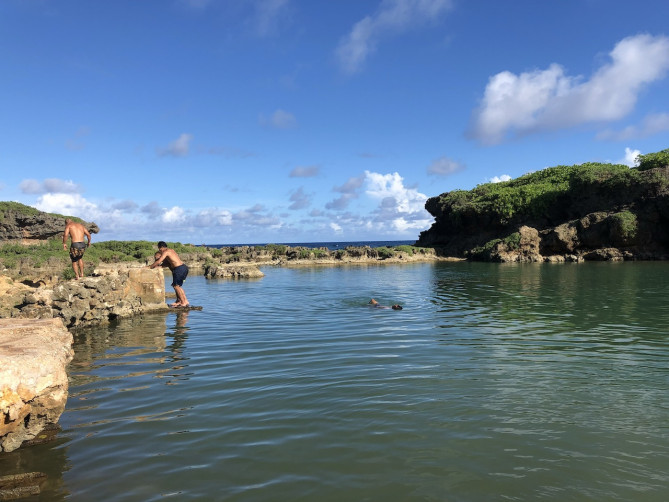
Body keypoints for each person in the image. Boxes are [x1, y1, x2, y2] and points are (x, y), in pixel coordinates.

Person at [149, 241, 189, 308]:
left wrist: (150, 267)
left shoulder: (166, 252)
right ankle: (180, 301)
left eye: (159, 249)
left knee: (176, 286)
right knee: (176, 285)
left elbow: (159, 261)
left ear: (161, 247)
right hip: (183, 268)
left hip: (179, 269)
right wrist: (159, 266)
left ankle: (183, 302)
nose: (160, 251)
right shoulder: (171, 251)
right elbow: (169, 262)